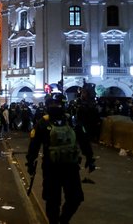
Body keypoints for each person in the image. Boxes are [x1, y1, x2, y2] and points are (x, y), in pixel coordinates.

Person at [26, 93, 96, 224]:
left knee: (74, 198)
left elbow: (84, 141)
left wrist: (90, 158)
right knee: (53, 201)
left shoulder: (72, 122)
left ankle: (62, 221)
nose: (55, 107)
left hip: (69, 167)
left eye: (57, 104)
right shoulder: (43, 123)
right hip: (53, 167)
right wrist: (30, 161)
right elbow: (34, 146)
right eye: (52, 104)